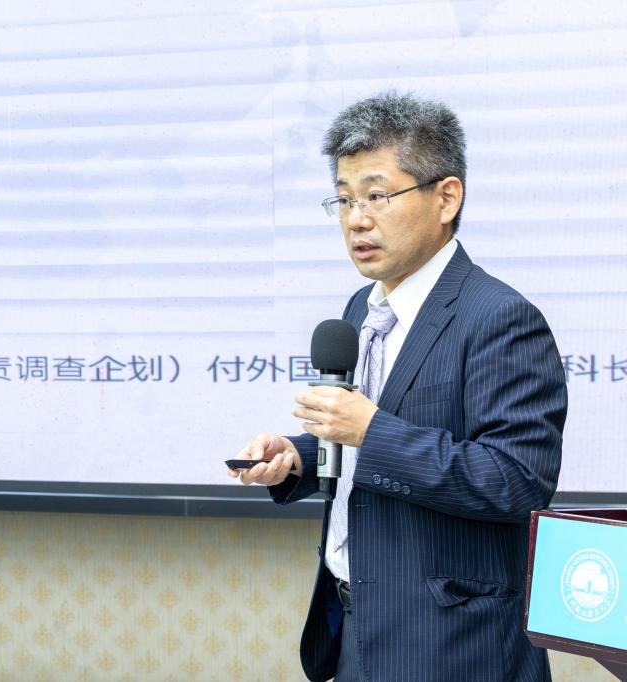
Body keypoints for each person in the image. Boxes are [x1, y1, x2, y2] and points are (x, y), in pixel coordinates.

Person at [230, 92, 567, 682]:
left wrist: (369, 431)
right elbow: (370, 436)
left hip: (453, 646)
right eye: (344, 198)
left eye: (377, 195)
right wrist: (298, 457)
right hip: (352, 626)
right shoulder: (361, 307)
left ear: (446, 198)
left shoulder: (499, 318)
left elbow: (516, 483)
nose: (356, 219)